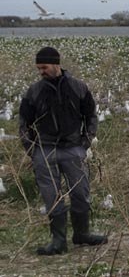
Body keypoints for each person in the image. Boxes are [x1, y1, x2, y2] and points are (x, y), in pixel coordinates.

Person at [19, 46, 108, 256]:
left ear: (56, 64)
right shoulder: (34, 92)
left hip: (73, 149)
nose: (41, 71)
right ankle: (58, 241)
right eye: (38, 67)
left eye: (44, 67)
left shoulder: (78, 87)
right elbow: (24, 125)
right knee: (52, 197)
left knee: (80, 194)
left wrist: (85, 142)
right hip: (45, 151)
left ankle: (81, 234)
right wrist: (33, 151)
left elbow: (91, 116)